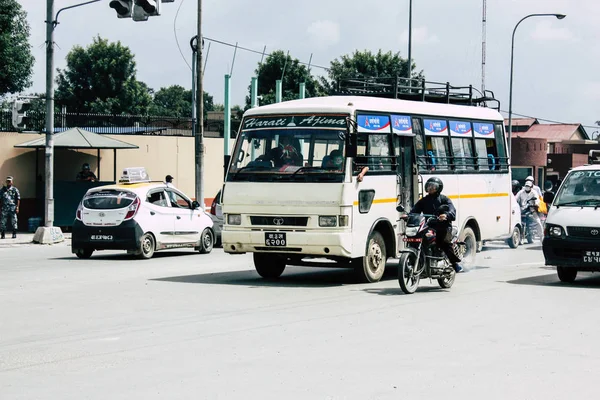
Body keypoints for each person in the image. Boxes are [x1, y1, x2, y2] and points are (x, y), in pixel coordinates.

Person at [402, 177, 464, 273]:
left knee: (442, 243)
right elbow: (415, 210)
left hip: (443, 226)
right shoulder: (424, 200)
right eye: (429, 186)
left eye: (433, 186)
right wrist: (408, 215)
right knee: (416, 236)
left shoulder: (444, 199)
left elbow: (452, 211)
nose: (430, 188)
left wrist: (446, 215)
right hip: (429, 225)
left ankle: (455, 264)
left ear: (438, 188)